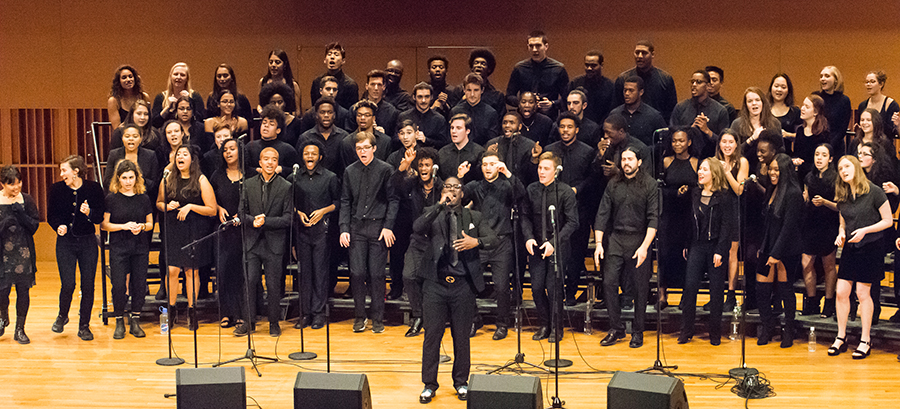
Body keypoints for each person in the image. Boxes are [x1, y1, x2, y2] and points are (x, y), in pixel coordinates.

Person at [416, 176, 497, 404]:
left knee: (461, 337)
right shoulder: (433, 212)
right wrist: (439, 205)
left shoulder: (474, 216)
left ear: (462, 193)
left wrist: (476, 242)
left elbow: (493, 239)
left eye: (455, 188)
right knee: (432, 336)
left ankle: (461, 382)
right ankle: (429, 384)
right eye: (447, 187)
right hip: (435, 285)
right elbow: (417, 227)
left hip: (462, 286)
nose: (451, 191)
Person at [830, 155, 892, 359]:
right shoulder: (843, 194)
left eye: (847, 166)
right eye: (840, 168)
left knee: (863, 293)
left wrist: (865, 230)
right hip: (851, 246)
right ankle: (841, 336)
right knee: (841, 291)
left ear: (856, 167)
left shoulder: (874, 191)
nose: (843, 171)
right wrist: (841, 233)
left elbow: (888, 221)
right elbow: (843, 221)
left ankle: (865, 339)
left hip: (871, 246)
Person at [594, 147, 657, 348]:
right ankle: (616, 328)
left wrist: (645, 246)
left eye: (630, 159)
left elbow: (653, 218)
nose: (626, 162)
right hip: (616, 239)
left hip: (639, 239)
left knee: (640, 288)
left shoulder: (650, 184)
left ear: (639, 162)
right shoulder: (613, 184)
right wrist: (598, 244)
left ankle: (638, 331)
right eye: (623, 159)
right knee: (609, 283)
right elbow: (602, 215)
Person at [459, 152, 526, 340]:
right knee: (468, 283)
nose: (488, 167)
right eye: (485, 164)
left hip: (502, 242)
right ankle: (473, 319)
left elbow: (521, 194)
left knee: (502, 286)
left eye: (492, 164)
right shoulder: (475, 186)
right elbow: (457, 197)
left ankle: (502, 324)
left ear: (498, 166)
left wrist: (508, 173)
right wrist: (460, 177)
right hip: (478, 242)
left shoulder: (506, 186)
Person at [339, 132, 398, 333]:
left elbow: (393, 200)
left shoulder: (385, 170)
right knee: (356, 273)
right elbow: (345, 201)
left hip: (378, 227)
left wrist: (388, 226)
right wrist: (344, 228)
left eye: (366, 147)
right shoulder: (349, 171)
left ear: (374, 148)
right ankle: (359, 316)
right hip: (356, 227)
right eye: (359, 148)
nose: (362, 151)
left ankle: (378, 318)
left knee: (377, 274)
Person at [156, 145, 217, 331]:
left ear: (192, 159)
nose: (180, 157)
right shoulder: (167, 178)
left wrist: (190, 206)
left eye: (184, 154)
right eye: (178, 155)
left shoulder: (201, 179)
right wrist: (167, 206)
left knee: (191, 271)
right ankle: (171, 309)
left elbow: (212, 209)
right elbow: (158, 203)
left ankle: (192, 310)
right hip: (174, 229)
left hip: (194, 230)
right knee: (172, 270)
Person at [233, 148, 291, 337]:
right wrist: (252, 221)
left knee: (273, 285)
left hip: (274, 243)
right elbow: (241, 213)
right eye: (266, 159)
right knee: (249, 282)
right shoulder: (247, 184)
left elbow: (288, 218)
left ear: (277, 163)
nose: (269, 163)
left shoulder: (286, 186)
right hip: (252, 242)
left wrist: (267, 221)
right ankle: (248, 322)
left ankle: (274, 322)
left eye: (274, 160)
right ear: (260, 162)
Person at [678, 158, 736, 345]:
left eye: (705, 169)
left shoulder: (724, 196)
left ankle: (715, 333)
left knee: (716, 291)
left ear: (714, 174)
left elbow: (727, 226)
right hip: (696, 245)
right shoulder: (694, 193)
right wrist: (687, 243)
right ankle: (686, 331)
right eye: (700, 169)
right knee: (690, 287)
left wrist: (720, 250)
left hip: (715, 247)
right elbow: (689, 221)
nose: (700, 172)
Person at [541, 112, 597, 305]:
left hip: (578, 209)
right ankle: (555, 294)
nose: (565, 130)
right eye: (562, 126)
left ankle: (571, 292)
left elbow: (592, 179)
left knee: (575, 253)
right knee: (555, 252)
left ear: (577, 130)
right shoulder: (549, 150)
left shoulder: (587, 151)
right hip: (552, 211)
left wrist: (576, 189)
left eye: (569, 127)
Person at [522, 152, 578, 342]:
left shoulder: (565, 192)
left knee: (553, 288)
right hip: (537, 246)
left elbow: (572, 222)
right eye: (539, 168)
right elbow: (525, 217)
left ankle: (557, 327)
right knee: (537, 288)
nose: (541, 172)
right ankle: (544, 324)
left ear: (556, 171)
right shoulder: (531, 190)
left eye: (546, 169)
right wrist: (529, 238)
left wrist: (554, 243)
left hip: (558, 246)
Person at [47, 155, 104, 340]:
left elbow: (99, 217)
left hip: (87, 242)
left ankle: (84, 326)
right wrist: (58, 226)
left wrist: (90, 213)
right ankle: (62, 315)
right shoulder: (56, 189)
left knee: (88, 285)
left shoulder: (93, 189)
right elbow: (51, 216)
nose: (62, 174)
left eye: (65, 170)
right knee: (68, 283)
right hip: (66, 243)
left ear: (76, 171)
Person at [101, 160, 153, 339]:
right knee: (118, 284)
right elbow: (104, 225)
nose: (128, 181)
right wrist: (124, 226)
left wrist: (141, 227)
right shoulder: (111, 198)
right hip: (119, 246)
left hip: (139, 246)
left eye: (131, 177)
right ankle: (119, 320)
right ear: (118, 178)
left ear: (136, 178)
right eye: (124, 178)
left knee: (139, 284)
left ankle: (135, 320)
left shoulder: (143, 198)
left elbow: (150, 223)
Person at [756, 153, 803, 348]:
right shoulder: (771, 189)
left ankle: (788, 329)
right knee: (761, 288)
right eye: (771, 169)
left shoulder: (793, 193)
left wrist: (776, 253)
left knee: (785, 289)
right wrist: (764, 247)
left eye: (777, 170)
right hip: (769, 245)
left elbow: (788, 227)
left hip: (787, 248)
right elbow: (768, 223)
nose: (773, 173)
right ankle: (767, 326)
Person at [395, 147, 443, 337]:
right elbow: (394, 186)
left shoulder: (441, 186)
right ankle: (418, 316)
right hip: (417, 240)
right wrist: (405, 165)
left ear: (434, 167)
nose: (424, 168)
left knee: (440, 281)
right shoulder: (412, 185)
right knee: (409, 276)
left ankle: (439, 316)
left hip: (438, 241)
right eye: (421, 165)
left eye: (427, 165)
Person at [856, 142, 898, 326]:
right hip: (859, 231)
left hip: (879, 234)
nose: (860, 156)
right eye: (859, 153)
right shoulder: (855, 177)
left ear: (874, 158)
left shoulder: (882, 179)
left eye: (865, 153)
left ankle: (874, 311)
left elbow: (892, 208)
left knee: (873, 275)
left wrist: (895, 192)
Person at [658, 128, 698, 308]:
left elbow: (700, 187)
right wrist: (676, 192)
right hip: (669, 213)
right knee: (664, 254)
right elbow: (661, 188)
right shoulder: (666, 162)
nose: (677, 144)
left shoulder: (696, 163)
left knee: (686, 255)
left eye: (681, 141)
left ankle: (684, 297)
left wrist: (688, 191)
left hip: (688, 215)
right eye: (674, 141)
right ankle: (662, 295)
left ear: (689, 142)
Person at [0, 165, 39, 344]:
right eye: (12, 185)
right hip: (2, 254)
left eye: (19, 183)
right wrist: (4, 223)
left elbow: (34, 226)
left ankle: (20, 329)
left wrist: (21, 215)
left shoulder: (27, 200)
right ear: (2, 184)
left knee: (23, 291)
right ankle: (3, 317)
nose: (16, 188)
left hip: (23, 252)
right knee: (2, 291)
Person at [800, 144, 839, 317]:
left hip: (828, 224)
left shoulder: (836, 178)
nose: (819, 158)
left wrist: (824, 202)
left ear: (830, 159)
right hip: (810, 223)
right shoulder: (809, 177)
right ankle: (812, 301)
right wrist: (804, 200)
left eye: (824, 155)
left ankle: (829, 302)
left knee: (828, 264)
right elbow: (806, 198)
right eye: (817, 154)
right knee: (806, 263)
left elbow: (840, 206)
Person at [210, 138, 244, 330]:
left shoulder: (247, 175)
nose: (228, 153)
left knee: (239, 273)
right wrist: (218, 207)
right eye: (225, 150)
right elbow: (208, 199)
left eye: (232, 149)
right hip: (223, 230)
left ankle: (240, 313)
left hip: (242, 230)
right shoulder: (217, 175)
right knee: (223, 271)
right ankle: (225, 313)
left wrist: (244, 212)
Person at [715, 130, 749, 311]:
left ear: (737, 144)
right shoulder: (713, 161)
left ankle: (731, 294)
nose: (727, 145)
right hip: (716, 209)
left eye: (731, 142)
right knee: (717, 251)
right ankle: (717, 294)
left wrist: (727, 172)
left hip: (733, 210)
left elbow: (739, 190)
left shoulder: (742, 162)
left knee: (732, 252)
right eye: (724, 142)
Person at [505, 30, 569, 119]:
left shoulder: (558, 69)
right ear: (528, 47)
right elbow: (509, 96)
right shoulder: (519, 68)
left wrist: (552, 104)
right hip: (524, 118)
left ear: (546, 46)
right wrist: (525, 102)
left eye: (538, 46)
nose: (534, 50)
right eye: (531, 46)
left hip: (549, 117)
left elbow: (566, 98)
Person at [670, 70, 729, 157]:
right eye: (692, 82)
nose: (694, 85)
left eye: (698, 82)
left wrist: (707, 131)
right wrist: (691, 130)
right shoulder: (681, 107)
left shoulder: (720, 110)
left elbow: (725, 142)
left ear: (708, 85)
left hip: (710, 159)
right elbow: (671, 134)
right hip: (684, 159)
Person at [614, 40, 678, 120]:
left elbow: (671, 110)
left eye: (644, 53)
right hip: (629, 125)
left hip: (657, 125)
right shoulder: (623, 79)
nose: (640, 56)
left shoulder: (665, 79)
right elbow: (617, 107)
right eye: (637, 53)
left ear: (652, 54)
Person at [298, 97, 350, 177]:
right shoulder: (306, 137)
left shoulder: (344, 137)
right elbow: (300, 165)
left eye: (329, 112)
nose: (326, 115)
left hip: (338, 184)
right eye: (322, 112)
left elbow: (347, 166)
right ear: (316, 115)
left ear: (334, 115)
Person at [608, 76, 667, 146]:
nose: (626, 93)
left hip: (644, 155)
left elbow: (664, 141)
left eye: (631, 90)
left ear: (641, 92)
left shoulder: (654, 116)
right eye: (625, 90)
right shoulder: (615, 114)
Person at [245, 104, 299, 179]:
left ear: (278, 130)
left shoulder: (288, 150)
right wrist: (257, 170)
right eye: (264, 123)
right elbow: (244, 169)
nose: (266, 126)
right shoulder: (250, 147)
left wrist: (282, 169)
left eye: (271, 124)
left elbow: (296, 170)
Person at [105, 125, 159, 199]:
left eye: (135, 136)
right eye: (127, 136)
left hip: (143, 196)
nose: (131, 139)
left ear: (140, 139)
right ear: (122, 138)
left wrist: (136, 185)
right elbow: (107, 180)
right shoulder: (114, 154)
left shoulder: (150, 155)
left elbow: (154, 183)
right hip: (118, 196)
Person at [485, 112, 537, 185]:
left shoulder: (529, 145)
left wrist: (534, 159)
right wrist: (489, 155)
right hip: (497, 188)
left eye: (512, 123)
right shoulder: (492, 143)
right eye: (504, 123)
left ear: (519, 126)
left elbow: (532, 175)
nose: (507, 125)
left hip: (520, 187)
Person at [452, 49, 506, 117]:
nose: (479, 65)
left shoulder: (497, 95)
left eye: (483, 64)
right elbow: (452, 113)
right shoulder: (459, 90)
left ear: (489, 69)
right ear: (472, 67)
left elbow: (499, 119)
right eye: (476, 63)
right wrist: (463, 100)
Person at [450, 73, 500, 147]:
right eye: (469, 90)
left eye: (476, 90)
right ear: (464, 90)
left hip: (482, 153)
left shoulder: (491, 113)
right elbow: (450, 138)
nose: (472, 94)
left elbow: (492, 140)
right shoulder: (455, 111)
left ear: (482, 90)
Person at [567, 50, 615, 124]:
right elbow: (566, 104)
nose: (589, 68)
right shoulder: (575, 83)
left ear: (601, 65)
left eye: (593, 65)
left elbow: (611, 110)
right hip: (578, 126)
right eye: (587, 65)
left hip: (602, 127)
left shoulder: (610, 86)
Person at [151, 62, 205, 129]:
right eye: (175, 74)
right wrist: (167, 108)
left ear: (187, 79)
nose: (178, 77)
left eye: (182, 75)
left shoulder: (195, 96)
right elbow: (154, 124)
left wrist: (190, 102)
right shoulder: (161, 97)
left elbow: (201, 120)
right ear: (171, 77)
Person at [814, 66, 852, 157]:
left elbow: (842, 128)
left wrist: (829, 146)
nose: (823, 79)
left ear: (836, 80)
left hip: (835, 146)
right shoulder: (816, 97)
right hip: (816, 144)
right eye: (821, 76)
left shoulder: (844, 100)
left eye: (827, 76)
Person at [398, 82, 450, 148]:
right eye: (420, 97)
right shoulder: (404, 116)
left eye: (427, 97)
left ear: (431, 97)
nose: (423, 100)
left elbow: (444, 143)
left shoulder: (439, 119)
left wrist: (426, 140)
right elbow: (395, 140)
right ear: (414, 97)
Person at [342, 100, 392, 168]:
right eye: (359, 115)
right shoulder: (347, 142)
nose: (362, 118)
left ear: (373, 118)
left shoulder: (385, 141)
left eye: (367, 115)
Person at [310, 42, 359, 111]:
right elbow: (315, 109)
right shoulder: (317, 82)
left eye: (336, 54)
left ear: (343, 61)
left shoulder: (350, 85)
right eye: (329, 54)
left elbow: (351, 112)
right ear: (325, 60)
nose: (332, 57)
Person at [438, 114, 485, 184]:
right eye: (452, 128)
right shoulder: (442, 152)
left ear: (467, 131)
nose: (453, 131)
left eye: (458, 128)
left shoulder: (479, 152)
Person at [791, 94, 830, 180]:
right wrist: (795, 160)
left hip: (816, 175)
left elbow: (822, 160)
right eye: (803, 105)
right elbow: (797, 153)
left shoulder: (823, 133)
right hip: (800, 173)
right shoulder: (800, 130)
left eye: (807, 107)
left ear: (815, 112)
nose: (802, 108)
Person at [352, 70, 399, 138]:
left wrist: (383, 135)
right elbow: (349, 136)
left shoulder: (391, 111)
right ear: (367, 86)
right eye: (373, 84)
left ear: (384, 87)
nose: (376, 88)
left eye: (379, 85)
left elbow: (395, 137)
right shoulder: (355, 109)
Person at [258, 82, 302, 146]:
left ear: (285, 102)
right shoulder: (265, 123)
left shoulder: (296, 123)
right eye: (273, 102)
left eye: (280, 102)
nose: (277, 105)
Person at [260, 49, 302, 116]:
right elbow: (260, 104)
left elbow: (297, 111)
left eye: (277, 62)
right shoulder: (263, 81)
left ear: (284, 65)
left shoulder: (292, 84)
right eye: (271, 62)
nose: (273, 65)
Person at [858, 70, 900, 137]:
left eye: (872, 82)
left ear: (881, 84)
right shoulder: (862, 105)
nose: (868, 84)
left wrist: (898, 125)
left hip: (885, 145)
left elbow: (893, 131)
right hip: (867, 144)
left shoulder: (891, 105)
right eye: (867, 82)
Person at [107, 65, 150, 129]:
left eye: (130, 76)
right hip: (124, 136)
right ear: (119, 81)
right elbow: (117, 128)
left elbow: (148, 122)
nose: (128, 80)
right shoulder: (113, 101)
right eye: (124, 77)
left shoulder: (144, 97)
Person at [768, 73, 802, 141]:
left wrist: (788, 135)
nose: (779, 89)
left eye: (783, 87)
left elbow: (802, 135)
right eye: (776, 86)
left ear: (788, 90)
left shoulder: (795, 112)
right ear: (771, 88)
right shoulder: (763, 110)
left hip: (787, 151)